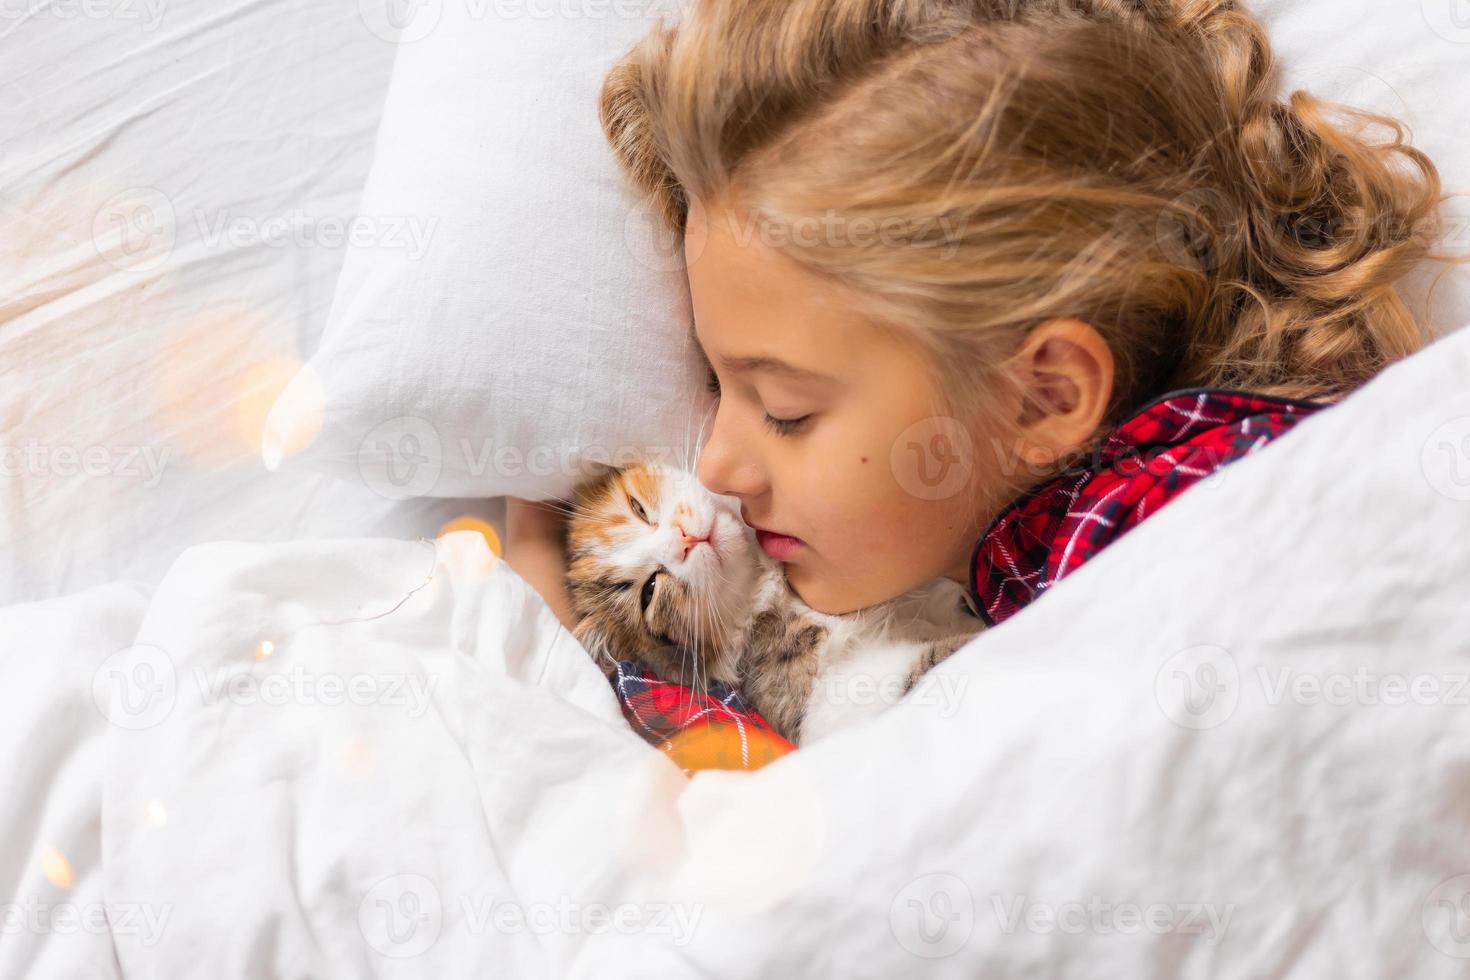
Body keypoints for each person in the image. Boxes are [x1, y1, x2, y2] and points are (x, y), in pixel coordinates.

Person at [506, 0, 1464, 755]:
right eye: (717, 388)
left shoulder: (1167, 537)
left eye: (788, 411)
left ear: (1042, 397)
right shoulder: (1075, 527)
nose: (717, 464)